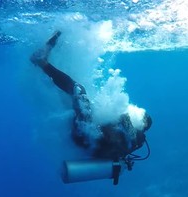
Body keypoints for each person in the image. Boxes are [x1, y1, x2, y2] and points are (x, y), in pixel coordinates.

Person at [30, 31, 152, 162]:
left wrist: (122, 115)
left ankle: (42, 62)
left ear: (142, 123)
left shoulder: (131, 134)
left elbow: (115, 126)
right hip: (85, 138)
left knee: (78, 90)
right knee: (73, 98)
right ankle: (51, 65)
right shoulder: (130, 143)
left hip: (85, 135)